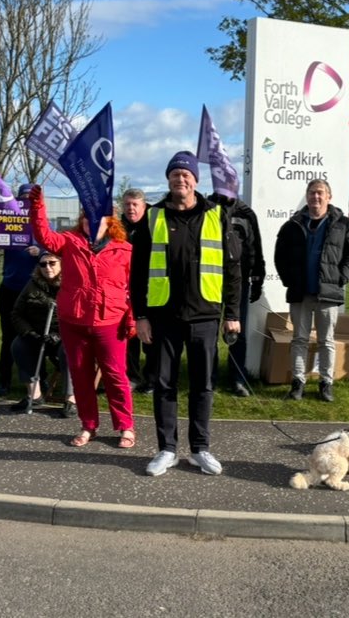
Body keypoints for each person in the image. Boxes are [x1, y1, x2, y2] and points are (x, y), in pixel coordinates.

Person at [130, 151, 241, 477]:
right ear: (168, 180)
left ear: (196, 180)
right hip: (163, 316)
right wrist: (140, 316)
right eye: (175, 174)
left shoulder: (216, 215)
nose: (181, 179)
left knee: (203, 384)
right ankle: (166, 449)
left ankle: (200, 449)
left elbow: (233, 268)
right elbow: (137, 274)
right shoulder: (153, 218)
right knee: (164, 384)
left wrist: (232, 313)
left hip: (205, 316)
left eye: (186, 174)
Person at [28, 186, 136, 449]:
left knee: (115, 376)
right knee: (80, 375)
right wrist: (37, 206)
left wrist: (132, 318)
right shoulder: (69, 242)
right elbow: (44, 236)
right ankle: (89, 425)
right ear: (82, 219)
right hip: (74, 321)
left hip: (111, 322)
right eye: (87, 215)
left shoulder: (125, 250)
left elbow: (134, 289)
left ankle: (125, 426)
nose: (92, 220)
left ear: (111, 220)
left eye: (99, 216)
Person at [274, 178, 349, 402]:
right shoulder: (292, 225)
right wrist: (289, 280)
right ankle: (297, 383)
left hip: (328, 293)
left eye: (320, 193)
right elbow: (279, 255)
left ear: (329, 197)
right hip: (300, 293)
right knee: (299, 339)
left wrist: (342, 277)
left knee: (326, 341)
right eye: (312, 192)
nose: (316, 197)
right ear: (307, 196)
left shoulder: (344, 225)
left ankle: (326, 383)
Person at [208, 191, 265, 397]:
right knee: (209, 333)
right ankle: (209, 379)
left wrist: (258, 275)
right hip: (210, 279)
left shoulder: (246, 212)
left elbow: (255, 246)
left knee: (236, 333)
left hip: (239, 281)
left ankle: (238, 378)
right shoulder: (206, 207)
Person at [10, 251, 77, 417]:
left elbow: (79, 315)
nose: (47, 267)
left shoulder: (72, 284)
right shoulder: (32, 284)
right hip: (38, 334)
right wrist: (30, 333)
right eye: (43, 264)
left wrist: (59, 336)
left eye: (52, 263)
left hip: (65, 335)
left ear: (62, 264)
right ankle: (35, 394)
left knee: (69, 350)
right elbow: (17, 313)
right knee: (19, 346)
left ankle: (71, 399)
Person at [0, 183, 41, 398]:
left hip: (34, 291)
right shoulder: (8, 221)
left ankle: (38, 382)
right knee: (8, 338)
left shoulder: (43, 224)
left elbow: (54, 251)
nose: (26, 203)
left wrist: (39, 252)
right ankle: (4, 381)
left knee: (36, 337)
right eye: (23, 198)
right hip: (10, 288)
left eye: (31, 199)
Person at [119, 187, 154, 394]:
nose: (131, 209)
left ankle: (151, 379)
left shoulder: (153, 223)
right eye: (127, 205)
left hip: (150, 286)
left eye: (135, 205)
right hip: (123, 287)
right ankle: (131, 376)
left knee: (150, 335)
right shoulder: (118, 227)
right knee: (128, 334)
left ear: (143, 205)